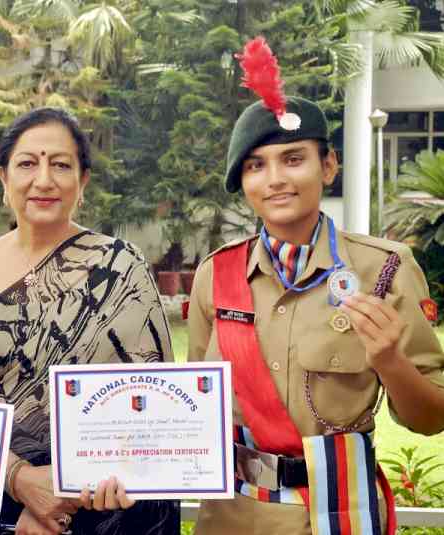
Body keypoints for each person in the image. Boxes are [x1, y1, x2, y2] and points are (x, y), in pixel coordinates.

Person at [187, 37, 444, 535]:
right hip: (232, 518)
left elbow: (430, 420)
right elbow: (200, 407)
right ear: (243, 183)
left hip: (338, 517)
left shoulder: (385, 270)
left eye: (293, 159)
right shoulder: (215, 277)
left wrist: (390, 360)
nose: (275, 179)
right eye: (256, 166)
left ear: (328, 166)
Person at [0, 107, 180, 535]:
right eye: (27, 163)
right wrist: (22, 483)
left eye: (60, 165)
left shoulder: (121, 268)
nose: (43, 180)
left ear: (82, 181)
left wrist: (62, 505)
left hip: (107, 508)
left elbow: (151, 415)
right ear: (3, 178)